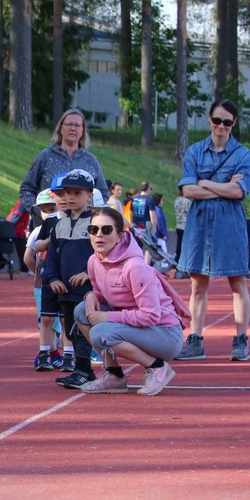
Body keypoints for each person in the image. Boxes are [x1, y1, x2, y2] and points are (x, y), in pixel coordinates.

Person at [74, 207, 185, 396]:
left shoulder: (135, 267)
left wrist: (107, 317)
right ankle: (114, 375)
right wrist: (92, 295)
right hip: (135, 326)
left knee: (100, 332)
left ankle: (158, 367)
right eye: (93, 229)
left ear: (119, 236)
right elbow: (101, 292)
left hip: (164, 334)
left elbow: (151, 316)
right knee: (81, 310)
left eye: (106, 230)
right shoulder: (94, 261)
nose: (99, 235)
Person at [175, 99, 250, 362]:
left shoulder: (243, 154)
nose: (221, 126)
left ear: (234, 123)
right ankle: (196, 339)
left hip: (230, 224)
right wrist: (223, 187)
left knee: (238, 282)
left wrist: (204, 182)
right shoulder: (194, 152)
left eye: (227, 122)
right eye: (217, 120)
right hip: (199, 224)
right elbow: (187, 190)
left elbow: (239, 192)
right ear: (210, 119)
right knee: (197, 284)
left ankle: (241, 340)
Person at [42, 169, 99, 389]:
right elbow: (51, 257)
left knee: (84, 330)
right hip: (65, 290)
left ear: (89, 196)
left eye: (77, 193)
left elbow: (103, 255)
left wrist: (88, 273)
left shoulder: (96, 224)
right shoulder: (59, 225)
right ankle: (82, 370)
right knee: (71, 331)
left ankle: (85, 370)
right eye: (67, 193)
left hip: (88, 290)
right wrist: (52, 279)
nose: (70, 198)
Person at [14, 108, 109, 228]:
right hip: (47, 228)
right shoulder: (46, 156)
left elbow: (103, 193)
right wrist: (39, 211)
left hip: (82, 229)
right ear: (61, 128)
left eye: (77, 125)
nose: (73, 128)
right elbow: (26, 190)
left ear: (82, 131)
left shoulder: (91, 160)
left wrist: (91, 213)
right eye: (69, 124)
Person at [24, 189, 65, 371]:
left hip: (58, 279)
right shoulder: (38, 231)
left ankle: (53, 352)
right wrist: (39, 273)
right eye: (44, 210)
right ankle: (50, 352)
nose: (48, 213)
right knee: (47, 320)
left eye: (52, 209)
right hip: (44, 282)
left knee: (57, 321)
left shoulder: (63, 226)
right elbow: (28, 257)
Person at [172, 195, 191, 278]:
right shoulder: (187, 202)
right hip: (186, 227)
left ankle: (178, 265)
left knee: (179, 247)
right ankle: (184, 267)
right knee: (186, 248)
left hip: (178, 225)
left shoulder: (177, 200)